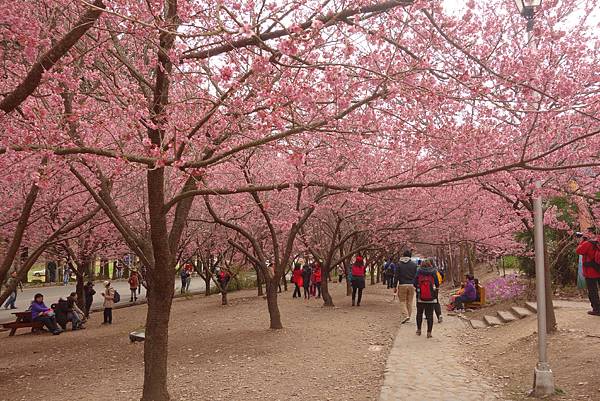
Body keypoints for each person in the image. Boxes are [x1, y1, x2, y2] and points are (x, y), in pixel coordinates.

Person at [576, 227, 600, 316]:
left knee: (593, 291)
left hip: (591, 271)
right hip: (598, 269)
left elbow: (579, 250)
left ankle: (597, 309)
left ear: (591, 233)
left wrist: (582, 241)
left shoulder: (588, 243)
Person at [414, 259, 440, 338]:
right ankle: (429, 332)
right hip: (431, 296)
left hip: (420, 295)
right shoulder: (433, 271)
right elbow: (437, 283)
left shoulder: (419, 271)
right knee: (430, 315)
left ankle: (419, 330)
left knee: (419, 313)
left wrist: (418, 288)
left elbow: (414, 282)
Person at [394, 250, 418, 323]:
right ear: (410, 256)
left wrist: (394, 286)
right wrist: (415, 285)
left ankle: (405, 315)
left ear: (403, 255)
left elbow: (396, 276)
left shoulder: (399, 264)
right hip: (411, 285)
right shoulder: (414, 265)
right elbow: (416, 276)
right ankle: (408, 317)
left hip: (402, 285)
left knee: (402, 301)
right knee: (409, 302)